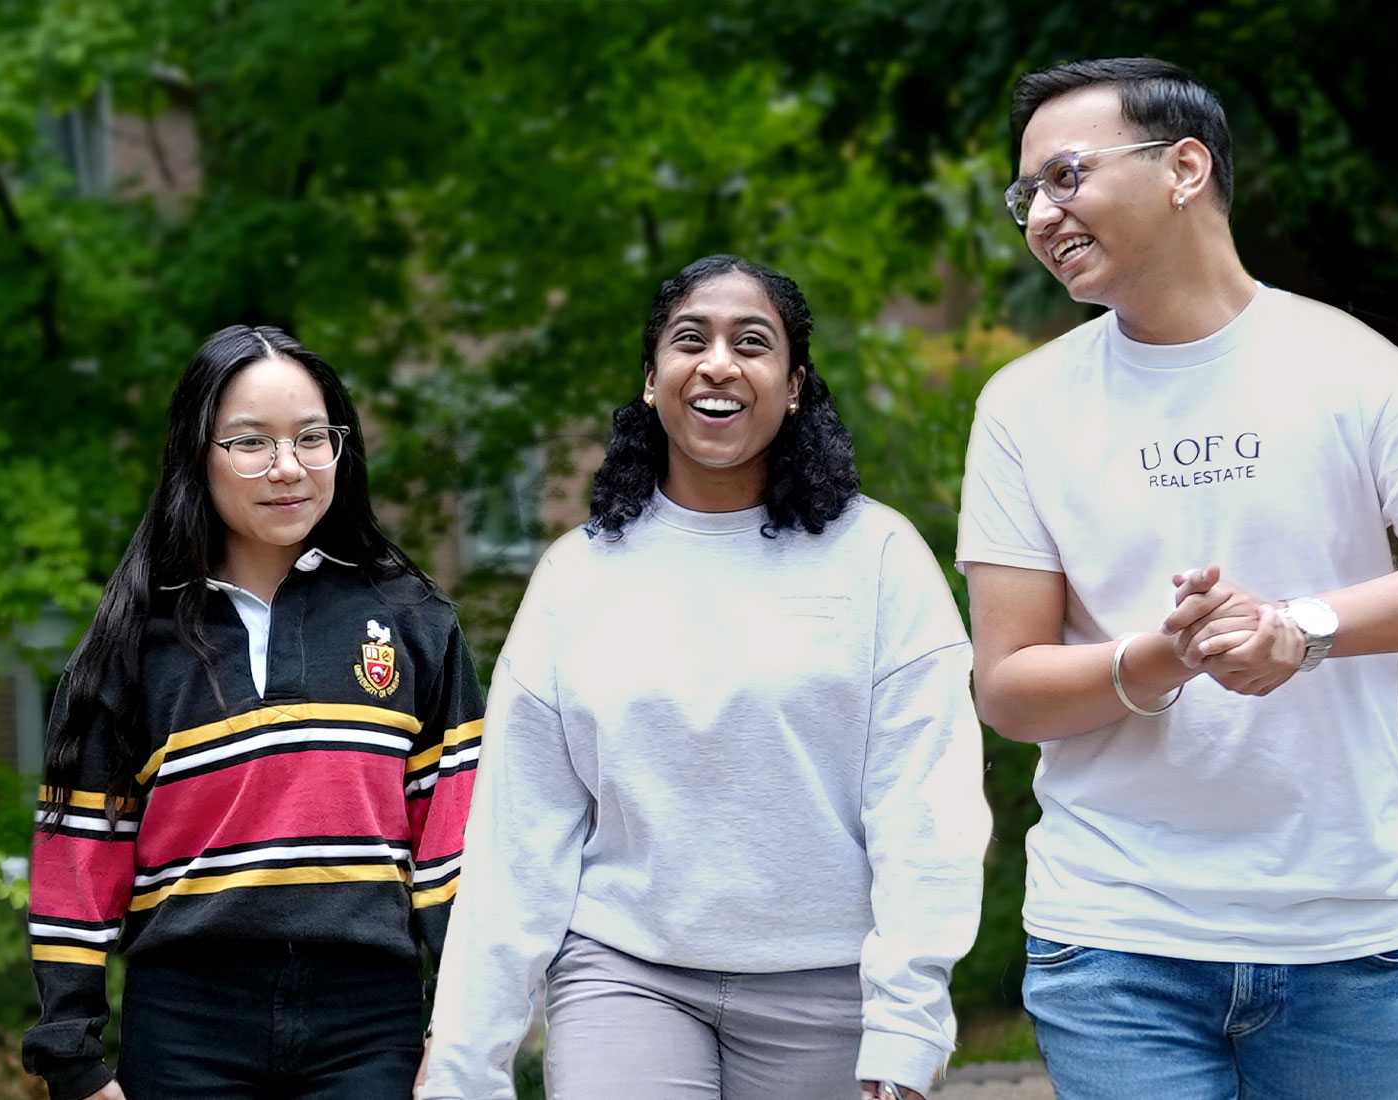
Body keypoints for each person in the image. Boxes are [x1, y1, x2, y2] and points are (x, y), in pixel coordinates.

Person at [958, 56, 1398, 1100]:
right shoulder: (1025, 405)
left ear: (1185, 167)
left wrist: (1302, 626)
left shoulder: (1348, 363)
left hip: (1340, 933)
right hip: (1113, 934)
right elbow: (1006, 684)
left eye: (1064, 177)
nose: (1040, 215)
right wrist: (1159, 658)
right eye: (1026, 196)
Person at [424, 255, 991, 1100]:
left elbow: (926, 806)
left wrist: (909, 1022)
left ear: (794, 386)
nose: (718, 362)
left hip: (831, 987)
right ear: (652, 381)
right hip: (627, 972)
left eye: (751, 342)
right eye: (690, 339)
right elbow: (519, 837)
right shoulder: (577, 577)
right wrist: (465, 1064)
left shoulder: (880, 560)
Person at [19, 325, 484, 1100]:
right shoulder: (133, 645)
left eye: (311, 438)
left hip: (370, 1024)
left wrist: (458, 1028)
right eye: (250, 443)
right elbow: (78, 862)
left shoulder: (413, 622)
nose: (288, 468)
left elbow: (455, 847)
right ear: (196, 453)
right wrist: (75, 1061)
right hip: (187, 1026)